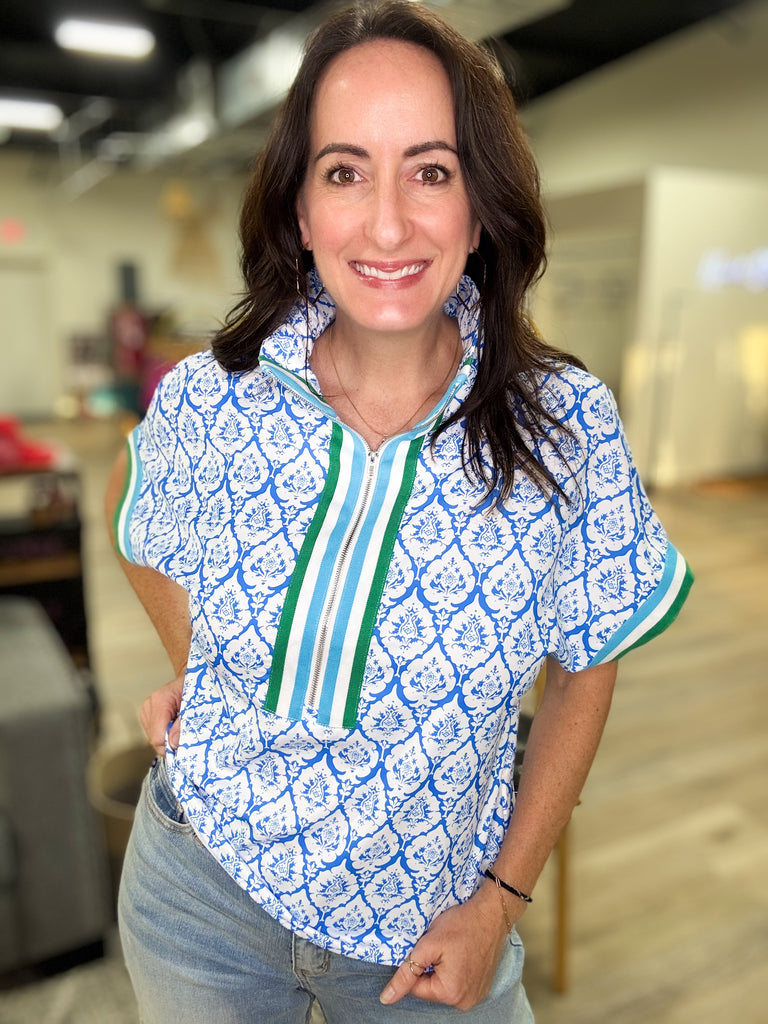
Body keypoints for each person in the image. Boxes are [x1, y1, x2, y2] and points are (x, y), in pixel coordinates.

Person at [105, 2, 693, 1021]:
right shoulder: (214, 397)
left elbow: (586, 665)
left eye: (431, 171)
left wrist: (502, 901)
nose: (387, 224)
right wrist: (207, 670)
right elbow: (137, 516)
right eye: (344, 173)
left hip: (428, 936)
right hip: (197, 896)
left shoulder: (566, 429)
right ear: (300, 209)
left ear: (481, 207)